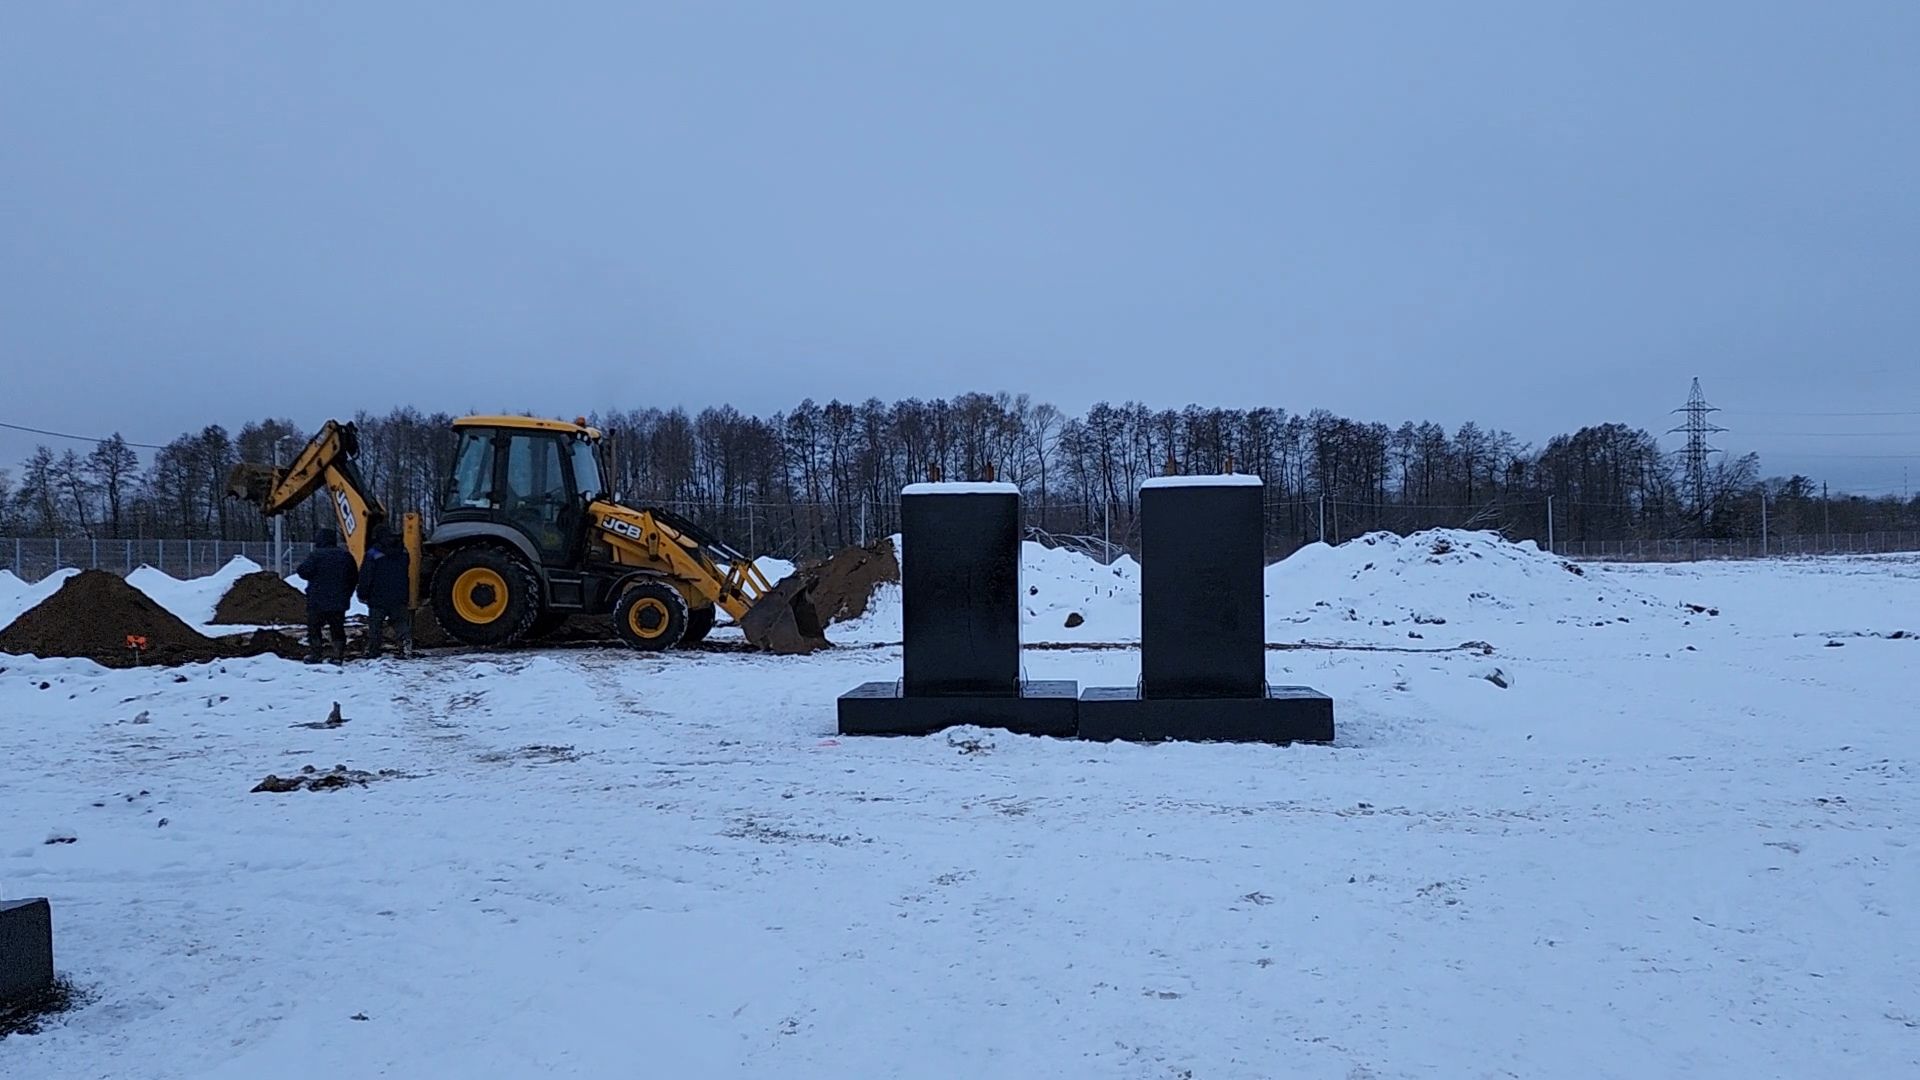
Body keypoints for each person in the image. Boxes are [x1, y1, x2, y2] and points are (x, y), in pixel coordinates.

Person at [296, 527, 359, 664]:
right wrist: (347, 593)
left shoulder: (316, 555)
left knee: (314, 628)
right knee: (337, 628)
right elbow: (354, 577)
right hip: (338, 601)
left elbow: (303, 571)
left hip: (317, 601)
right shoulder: (345, 556)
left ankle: (316, 654)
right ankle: (338, 655)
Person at [358, 526, 413, 659]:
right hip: (399, 595)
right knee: (400, 622)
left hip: (378, 596)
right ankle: (405, 646)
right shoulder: (404, 551)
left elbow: (366, 575)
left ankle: (374, 651)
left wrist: (362, 593)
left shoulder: (373, 553)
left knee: (375, 625)